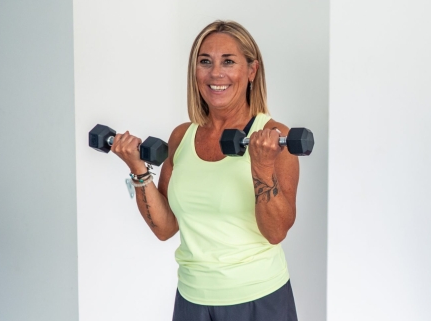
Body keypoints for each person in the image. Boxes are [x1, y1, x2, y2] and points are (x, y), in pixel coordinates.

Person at [110, 20, 299, 320]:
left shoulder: (274, 137)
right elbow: (165, 228)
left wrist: (262, 165)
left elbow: (276, 232)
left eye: (228, 61)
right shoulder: (182, 136)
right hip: (192, 299)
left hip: (258, 299)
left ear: (251, 71)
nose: (215, 73)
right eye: (205, 62)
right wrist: (138, 169)